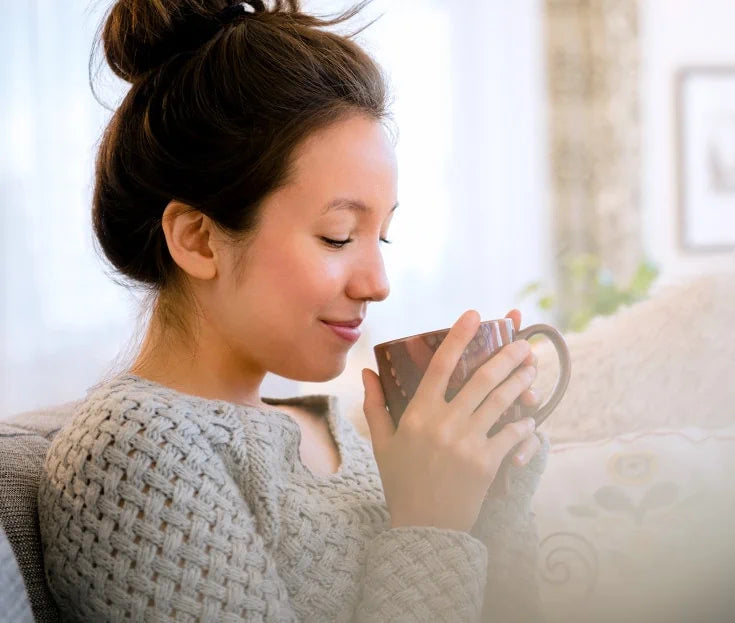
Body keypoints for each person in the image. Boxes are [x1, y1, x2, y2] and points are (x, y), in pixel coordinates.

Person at [37, 1, 549, 621]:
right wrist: (432, 526)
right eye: (338, 236)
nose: (378, 283)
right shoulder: (133, 450)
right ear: (198, 239)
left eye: (380, 237)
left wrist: (488, 498)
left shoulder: (335, 432)